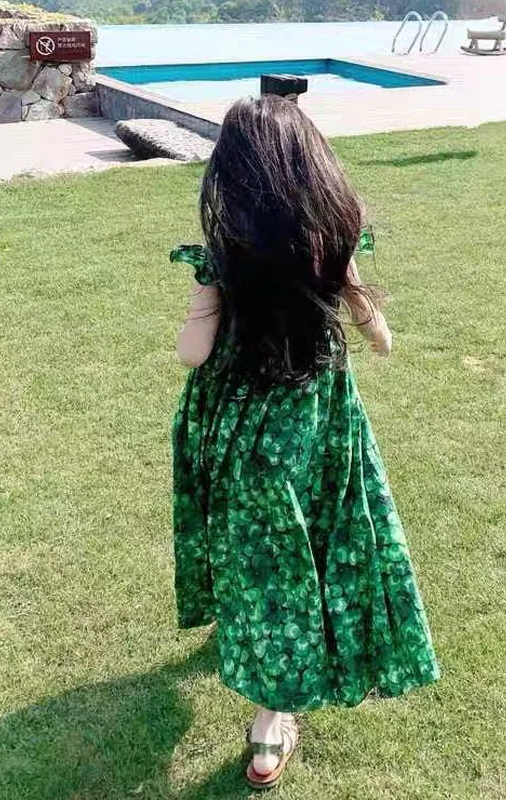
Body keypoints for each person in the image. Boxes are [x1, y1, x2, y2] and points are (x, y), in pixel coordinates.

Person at [171, 95, 439, 790]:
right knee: (313, 540)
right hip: (317, 427)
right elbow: (378, 333)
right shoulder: (328, 246)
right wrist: (371, 325)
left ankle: (271, 718)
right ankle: (272, 702)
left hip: (245, 434)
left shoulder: (228, 257)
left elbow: (193, 353)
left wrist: (205, 304)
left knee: (269, 555)